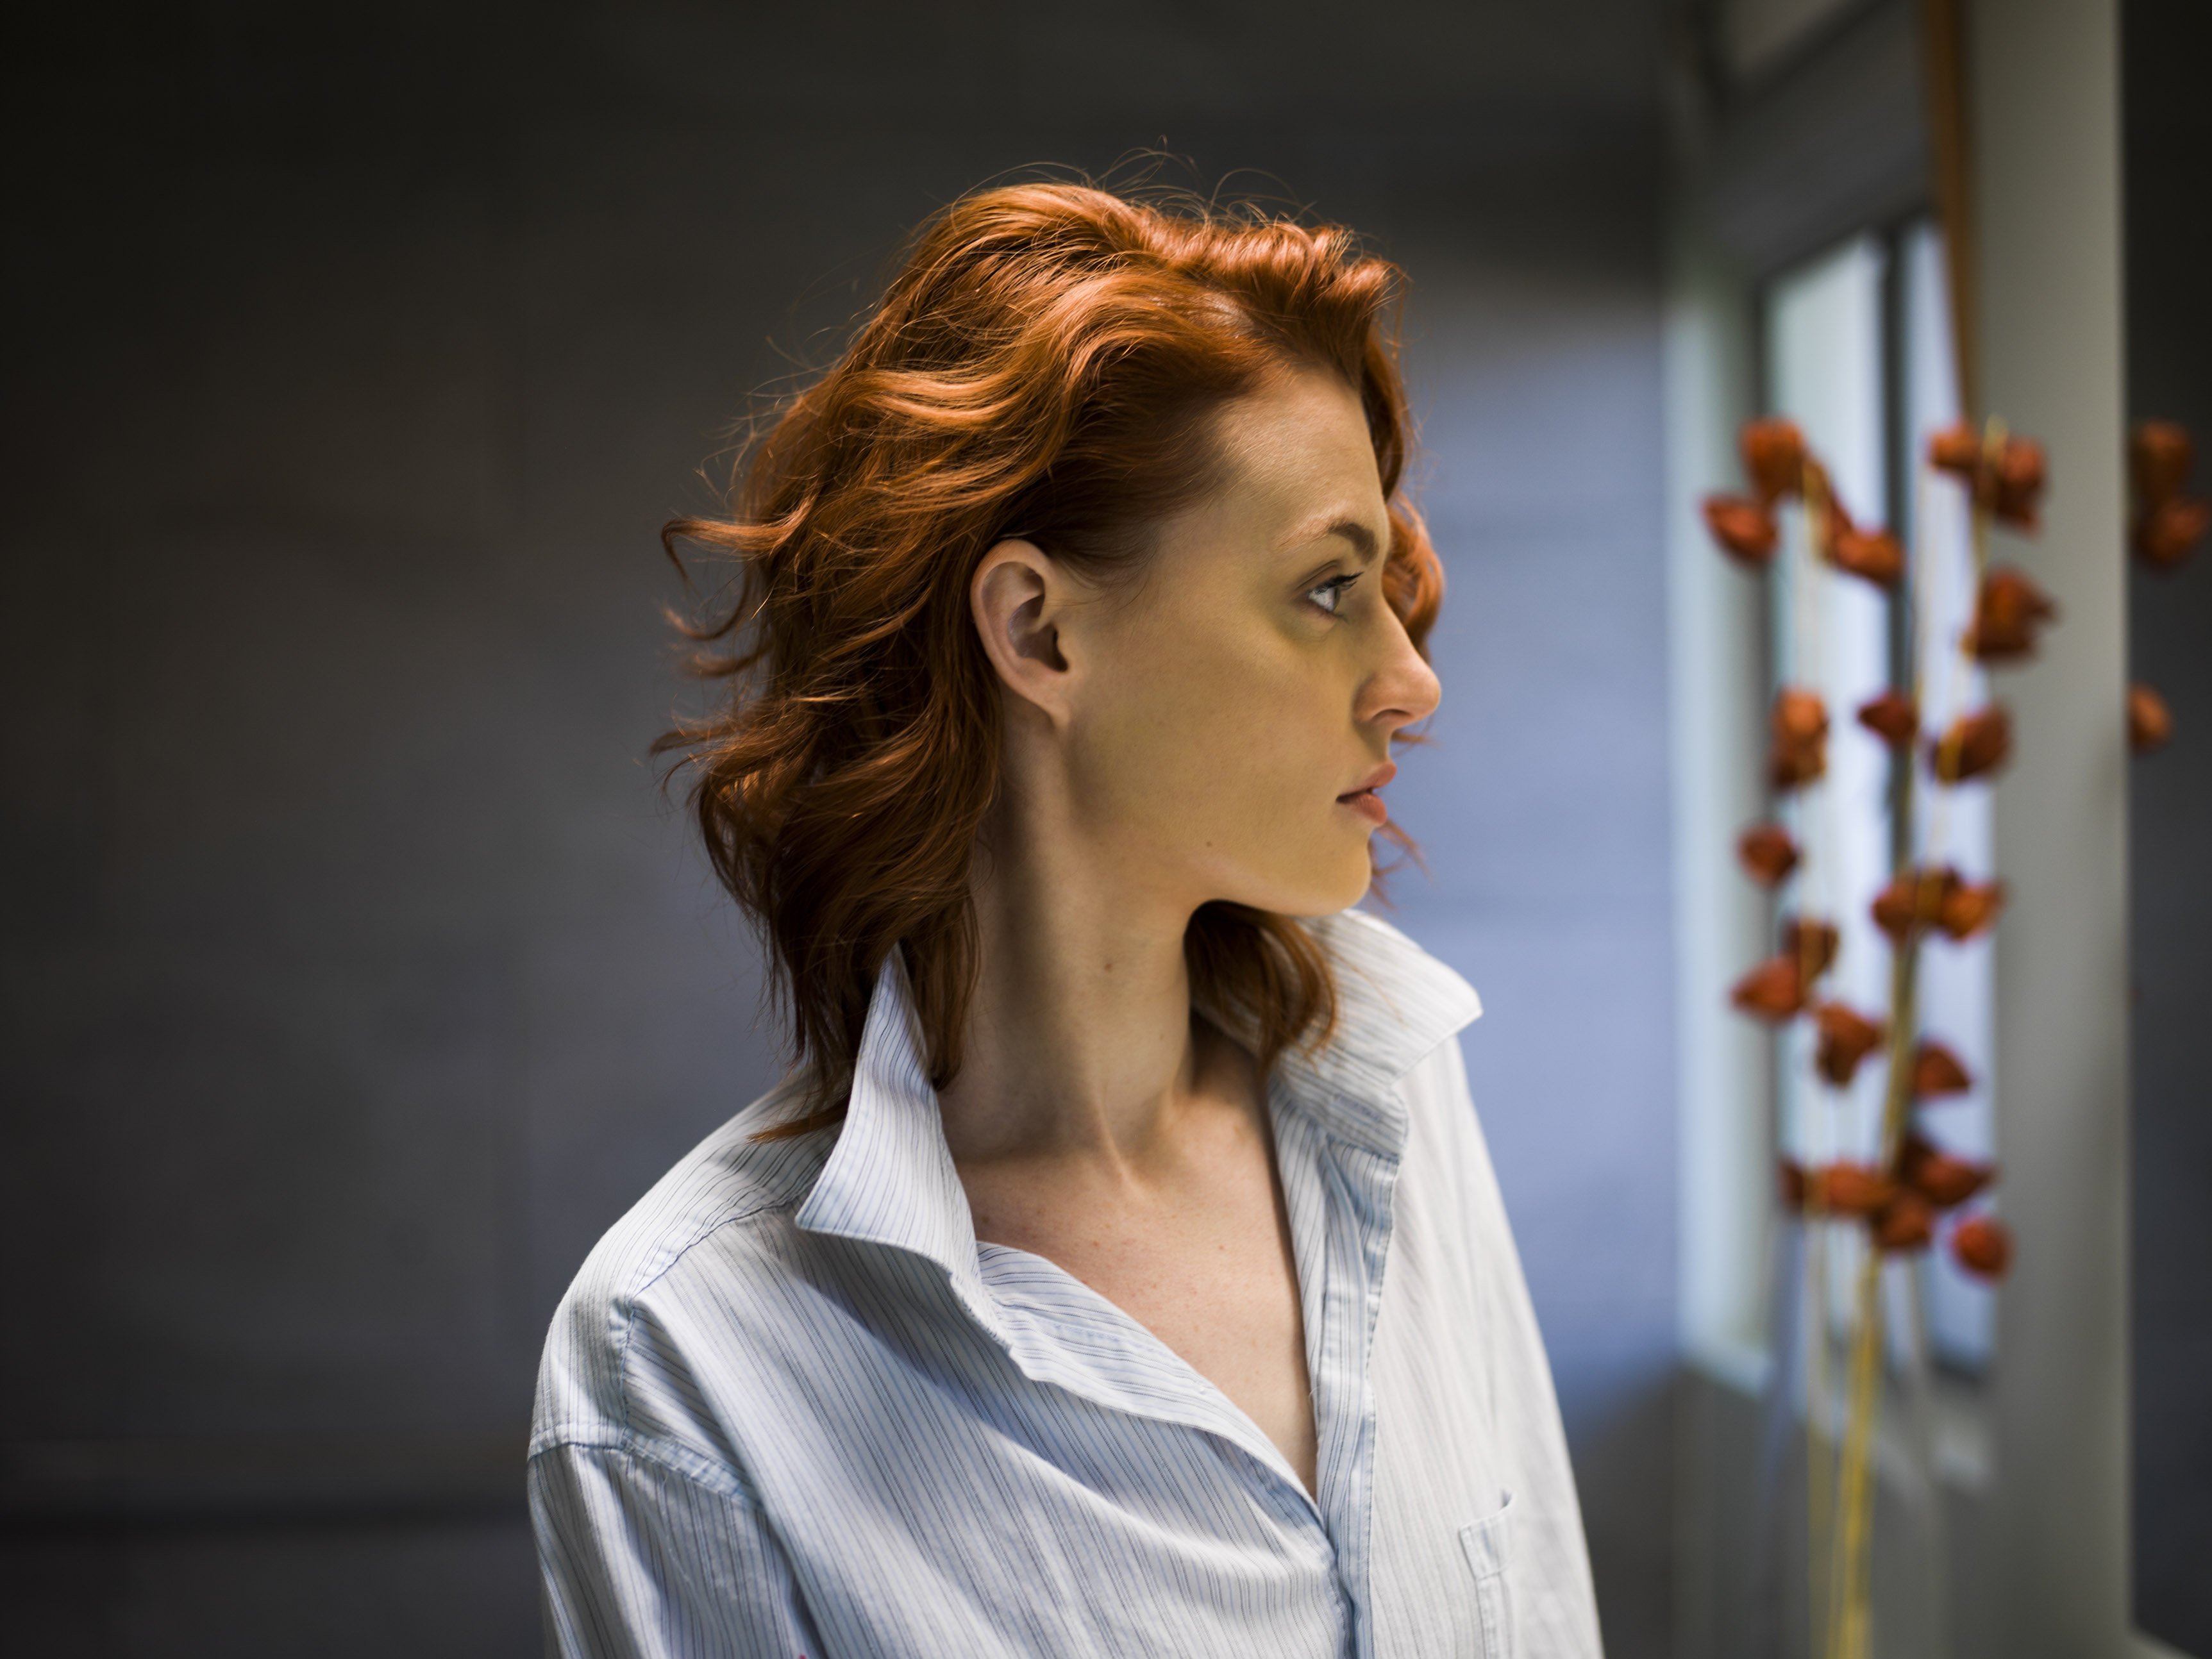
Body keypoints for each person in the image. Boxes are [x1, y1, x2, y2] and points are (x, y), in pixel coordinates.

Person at [529, 181, 1602, 1658]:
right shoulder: (684, 1365)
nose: (1410, 680)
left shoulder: (1397, 1102)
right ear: (1040, 629)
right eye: (1327, 588)